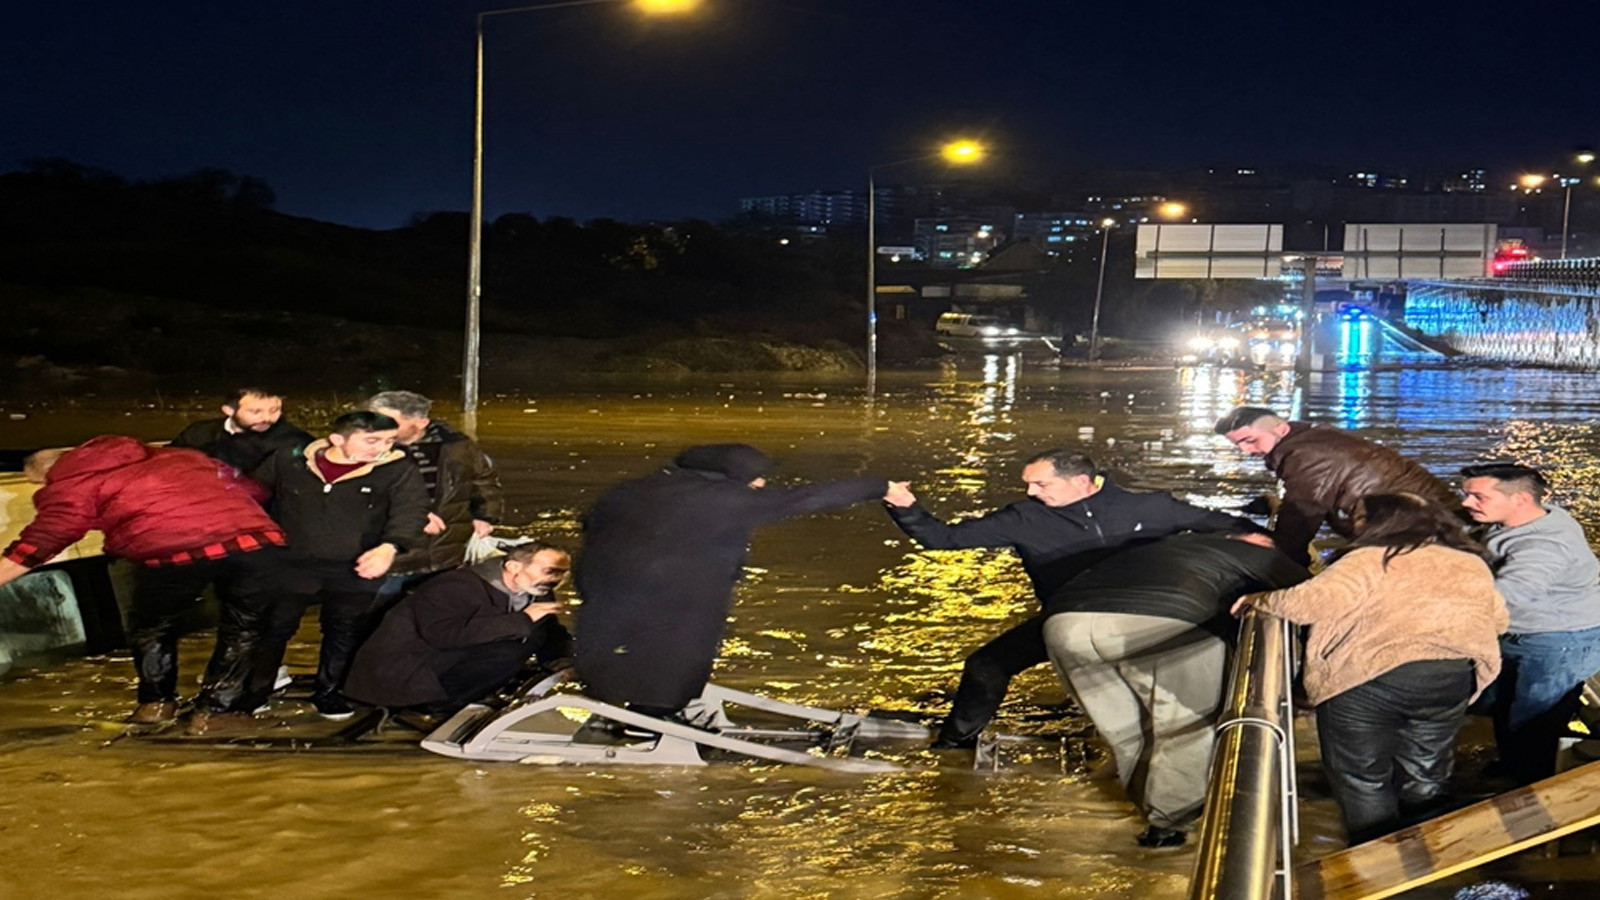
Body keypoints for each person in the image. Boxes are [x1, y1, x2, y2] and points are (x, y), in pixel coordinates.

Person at [884, 449, 1266, 748]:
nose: (1031, 492)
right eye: (1029, 485)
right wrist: (905, 507)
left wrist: (1249, 537)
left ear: (1082, 482)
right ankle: (953, 745)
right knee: (986, 666)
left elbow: (1222, 524)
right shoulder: (1023, 518)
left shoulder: (1149, 507)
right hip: (1071, 617)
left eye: (1041, 485)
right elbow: (944, 539)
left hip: (1149, 614)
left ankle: (1232, 725)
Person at [1233, 492, 1508, 846]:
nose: (1352, 523)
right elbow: (1498, 620)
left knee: (1363, 777)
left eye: (1359, 516)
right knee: (1426, 771)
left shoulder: (1368, 560)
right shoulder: (1468, 562)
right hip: (1450, 678)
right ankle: (1425, 851)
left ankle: (1375, 858)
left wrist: (1260, 600)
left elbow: (1309, 603)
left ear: (1382, 522)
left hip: (1368, 680)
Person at [575, 444, 887, 717]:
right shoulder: (722, 499)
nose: (762, 483)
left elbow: (590, 523)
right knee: (678, 658)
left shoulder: (633, 488)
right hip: (675, 594)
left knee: (618, 651)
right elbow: (805, 499)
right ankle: (652, 717)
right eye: (756, 476)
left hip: (603, 584)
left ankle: (612, 700)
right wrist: (879, 487)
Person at [1042, 531, 1307, 847]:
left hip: (1063, 625)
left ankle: (1145, 810)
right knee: (1186, 727)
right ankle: (1168, 827)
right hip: (1162, 625)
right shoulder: (1256, 553)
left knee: (1127, 729)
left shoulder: (1165, 547)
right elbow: (1314, 594)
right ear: (1257, 542)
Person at [0, 437, 285, 726]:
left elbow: (42, 542)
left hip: (171, 553)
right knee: (243, 628)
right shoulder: (184, 456)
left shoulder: (70, 484)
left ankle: (156, 705)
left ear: (46, 475)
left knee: (152, 628)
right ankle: (216, 710)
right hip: (257, 544)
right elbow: (252, 490)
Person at [243, 411, 430, 721]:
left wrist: (390, 546)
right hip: (290, 563)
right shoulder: (288, 461)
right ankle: (255, 692)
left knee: (344, 630)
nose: (381, 448)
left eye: (388, 441)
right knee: (273, 627)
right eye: (372, 441)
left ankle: (330, 693)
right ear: (337, 439)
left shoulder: (398, 470)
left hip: (356, 565)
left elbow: (410, 511)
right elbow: (249, 496)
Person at [1459, 462, 1600, 785]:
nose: (1466, 504)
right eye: (1465, 495)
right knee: (1505, 706)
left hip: (1558, 642)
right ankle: (1510, 765)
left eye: (1478, 497)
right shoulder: (1537, 514)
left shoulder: (1543, 548)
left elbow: (1507, 596)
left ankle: (1527, 789)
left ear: (1521, 499)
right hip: (1523, 633)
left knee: (1532, 720)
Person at [343, 541, 571, 725]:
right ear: (513, 567)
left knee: (528, 637)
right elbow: (444, 635)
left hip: (440, 663)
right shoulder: (455, 586)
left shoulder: (537, 590)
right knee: (507, 650)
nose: (555, 580)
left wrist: (563, 661)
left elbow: (549, 629)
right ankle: (432, 707)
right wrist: (522, 619)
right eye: (550, 571)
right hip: (403, 672)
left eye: (562, 574)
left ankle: (467, 695)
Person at [1214, 406, 1459, 567]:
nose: (1245, 451)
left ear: (1281, 429)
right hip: (1432, 519)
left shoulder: (1305, 455)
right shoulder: (1312, 438)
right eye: (1239, 445)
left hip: (1418, 528)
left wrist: (1279, 561)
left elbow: (1304, 511)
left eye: (1250, 441)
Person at [364, 391, 504, 597]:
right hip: (389, 554)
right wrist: (417, 516)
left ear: (420, 422)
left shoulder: (457, 445)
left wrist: (484, 516)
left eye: (390, 421)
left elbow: (482, 478)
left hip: (444, 552)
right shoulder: (363, 447)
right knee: (372, 611)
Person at [170, 386, 312, 475]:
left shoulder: (293, 441)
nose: (267, 418)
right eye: (256, 412)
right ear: (229, 410)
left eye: (274, 410)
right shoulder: (199, 432)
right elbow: (168, 462)